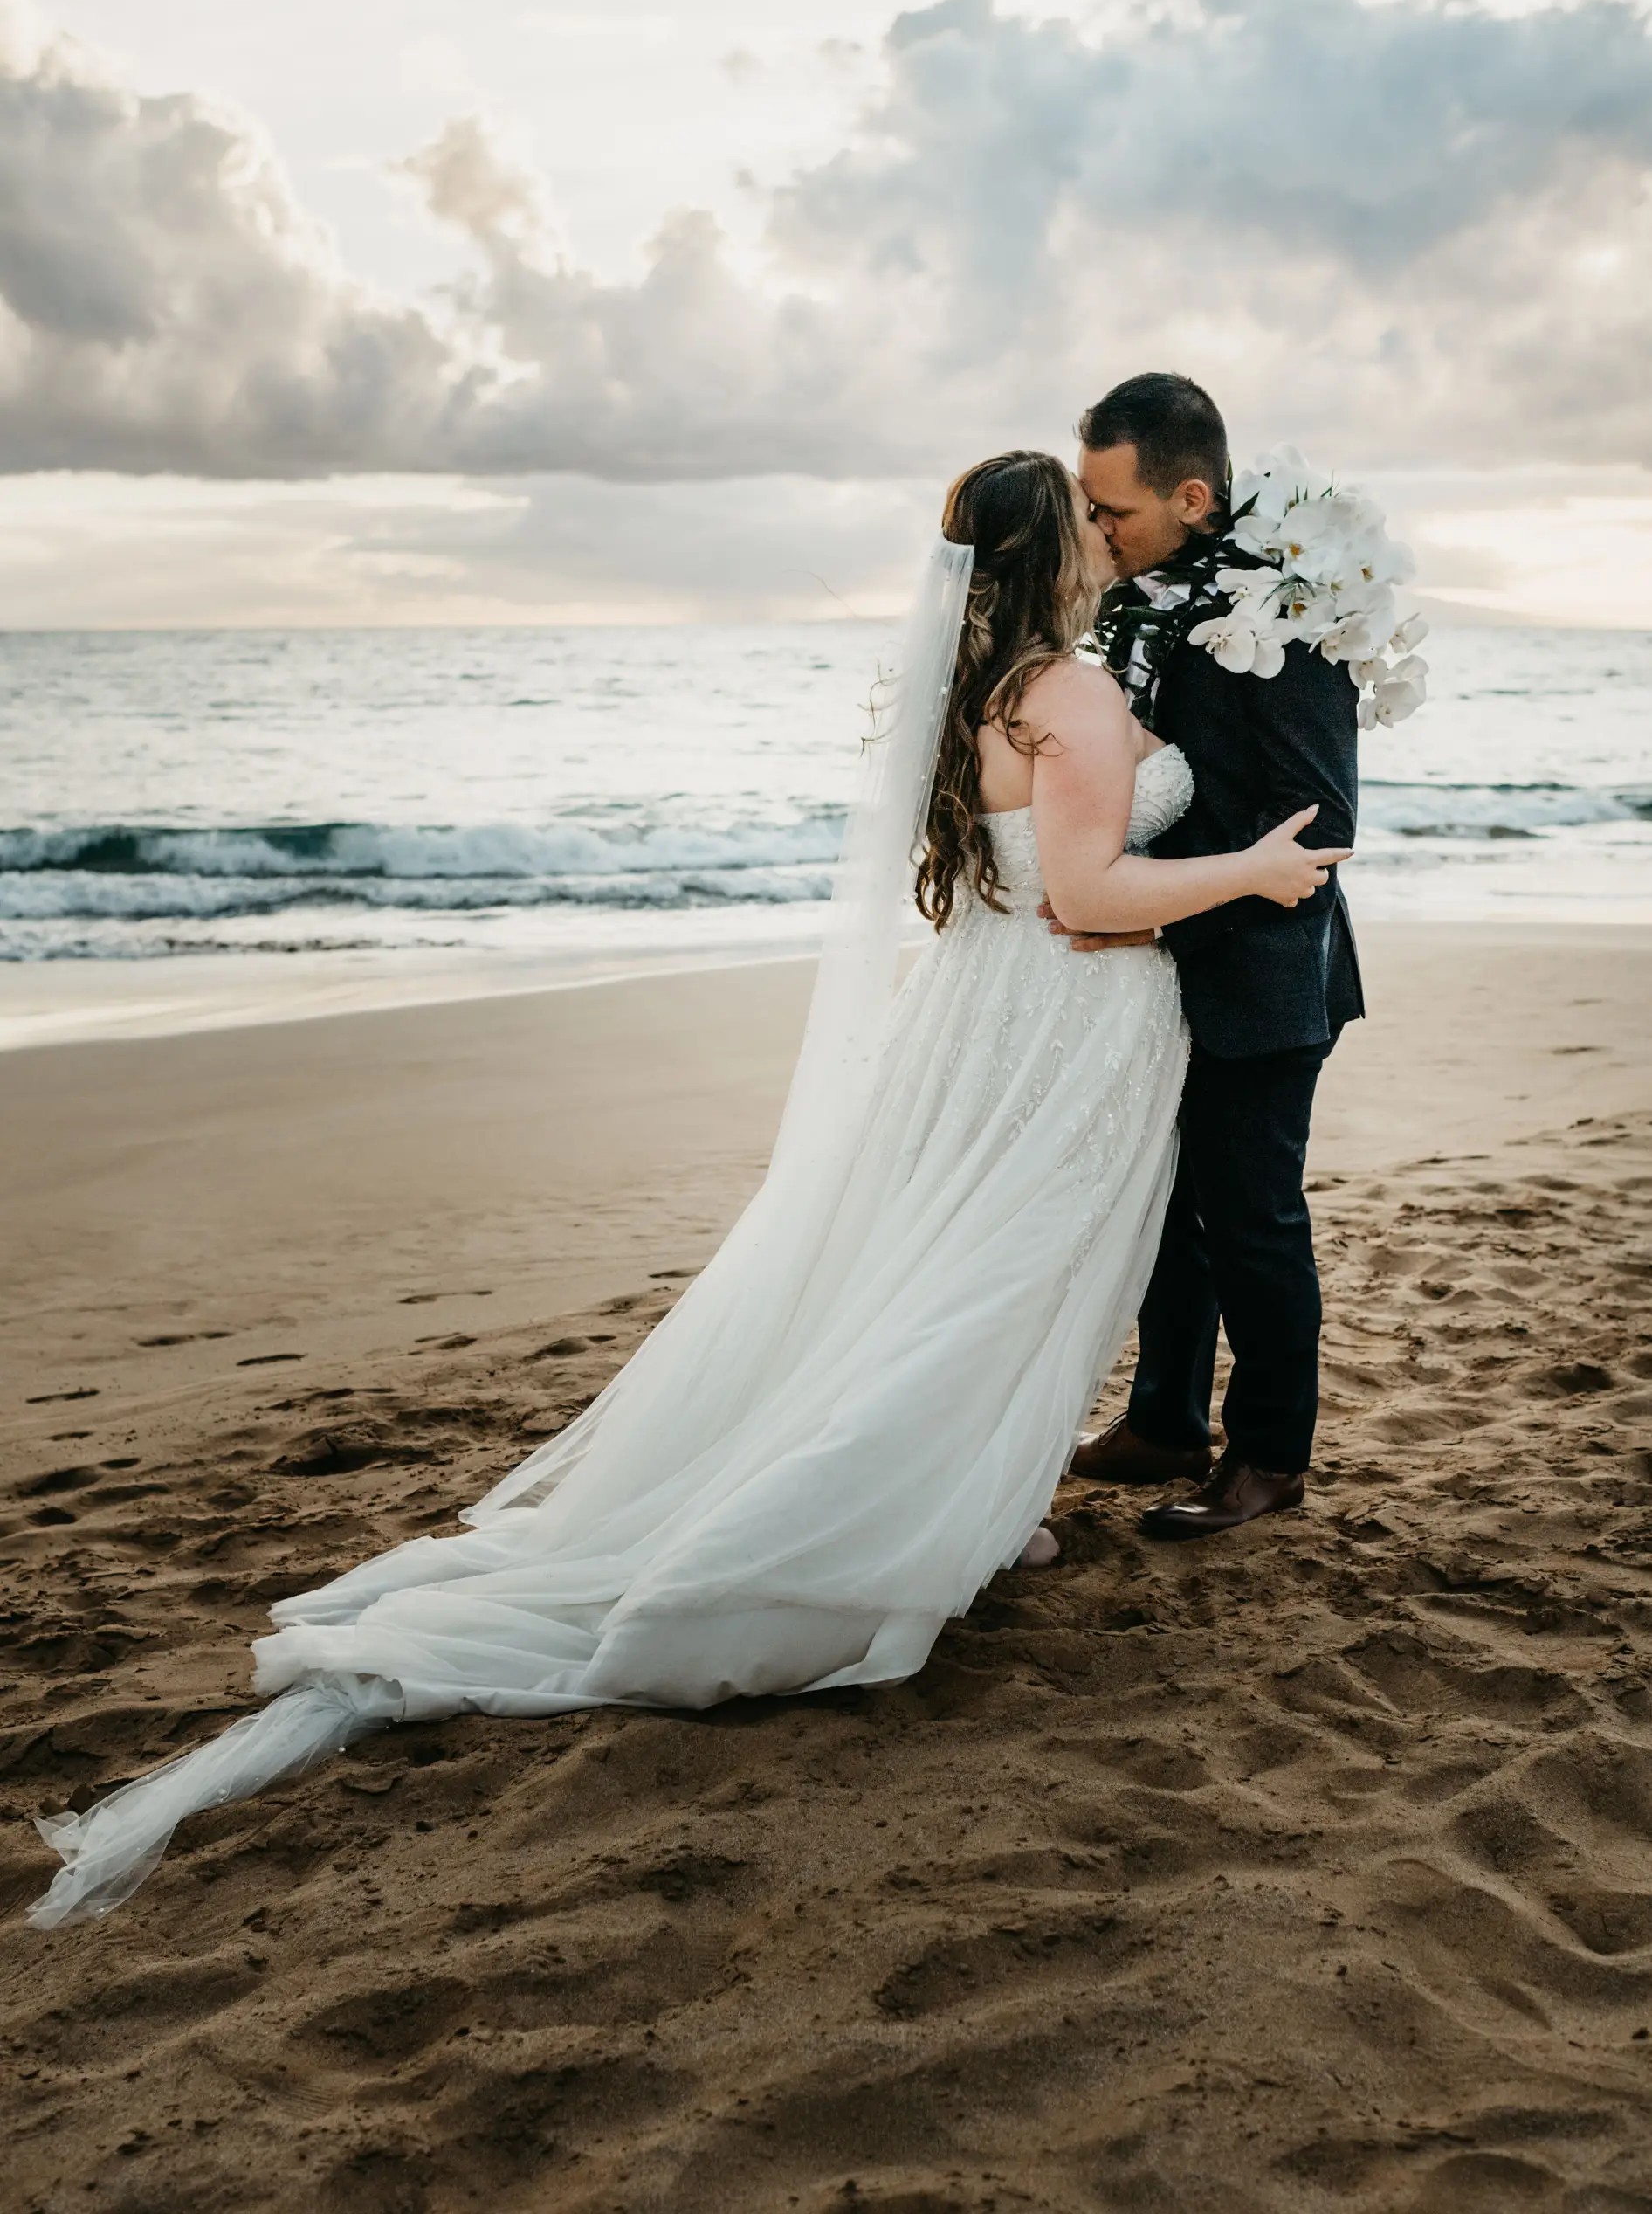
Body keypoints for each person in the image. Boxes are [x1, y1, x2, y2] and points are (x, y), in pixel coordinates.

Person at [30, 449, 1344, 1929]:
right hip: (1059, 1022)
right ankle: (904, 1513)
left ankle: (967, 1494)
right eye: (1090, 520)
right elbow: (1085, 896)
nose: (1112, 536)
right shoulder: (1075, 693)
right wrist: (1249, 871)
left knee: (928, 1264)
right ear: (1057, 553)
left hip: (976, 1017)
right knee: (1002, 1271)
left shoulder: (979, 690)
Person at [1061, 373, 1364, 1539]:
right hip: (1158, 971)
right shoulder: (1141, 611)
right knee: (1163, 1209)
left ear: (1193, 496)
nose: (1096, 532)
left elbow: (1321, 823)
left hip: (1263, 977)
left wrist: (1150, 892)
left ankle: (1270, 1461)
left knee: (1252, 1219)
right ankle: (1166, 1422)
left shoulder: (1278, 620)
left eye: (1114, 511)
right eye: (1087, 508)